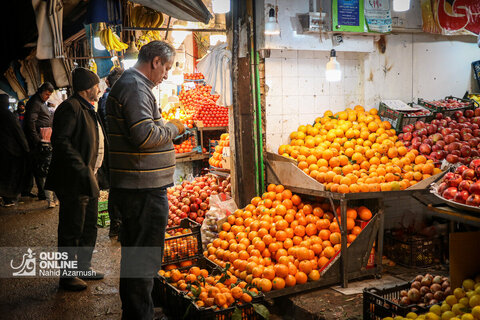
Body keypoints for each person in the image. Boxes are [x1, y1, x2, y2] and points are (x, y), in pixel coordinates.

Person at [106, 41, 186, 319]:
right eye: (166, 67)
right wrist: (175, 128)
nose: (166, 75)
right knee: (143, 259)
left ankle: (138, 313)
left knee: (137, 258)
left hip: (139, 187)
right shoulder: (135, 86)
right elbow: (145, 135)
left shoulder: (134, 85)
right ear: (155, 61)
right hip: (141, 191)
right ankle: (140, 315)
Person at [45, 67, 106, 291]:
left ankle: (83, 268)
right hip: (74, 180)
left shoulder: (88, 108)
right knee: (72, 228)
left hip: (90, 177)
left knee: (89, 225)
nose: (99, 90)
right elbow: (61, 142)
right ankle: (68, 276)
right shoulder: (70, 108)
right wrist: (82, 168)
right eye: (96, 86)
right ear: (87, 88)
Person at [98, 67, 123, 238]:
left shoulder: (109, 98)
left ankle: (117, 224)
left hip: (112, 151)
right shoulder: (110, 99)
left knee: (117, 188)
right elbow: (111, 129)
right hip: (114, 152)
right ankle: (117, 224)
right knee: (118, 188)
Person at [24, 82, 56, 206]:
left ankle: (43, 193)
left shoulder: (40, 102)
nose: (48, 96)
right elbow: (31, 123)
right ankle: (44, 194)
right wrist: (37, 140)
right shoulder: (35, 103)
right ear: (41, 91)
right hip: (39, 141)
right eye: (47, 94)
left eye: (49, 95)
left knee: (41, 168)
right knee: (42, 168)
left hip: (44, 139)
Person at [0, 95, 30, 206]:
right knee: (11, 175)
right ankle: (9, 198)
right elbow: (18, 132)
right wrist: (26, 149)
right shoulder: (9, 115)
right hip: (10, 150)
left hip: (2, 150)